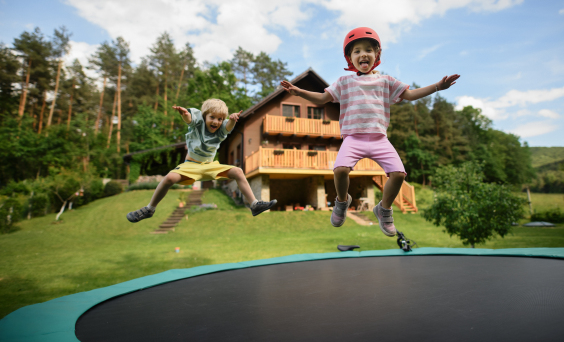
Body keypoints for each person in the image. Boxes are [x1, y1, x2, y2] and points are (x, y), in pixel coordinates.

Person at [281, 27, 459, 237]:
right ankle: (341, 201)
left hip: (379, 139)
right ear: (350, 58)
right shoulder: (344, 82)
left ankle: (383, 209)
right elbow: (322, 98)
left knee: (399, 174)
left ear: (377, 55)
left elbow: (410, 95)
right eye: (356, 51)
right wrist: (299, 92)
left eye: (368, 50)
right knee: (339, 170)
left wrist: (437, 86)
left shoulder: (387, 81)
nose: (362, 54)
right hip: (353, 138)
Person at [126, 98, 277, 223]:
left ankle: (254, 204)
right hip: (191, 166)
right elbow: (189, 119)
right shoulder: (197, 123)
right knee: (170, 178)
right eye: (212, 117)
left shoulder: (221, 129)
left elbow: (229, 127)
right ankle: (149, 209)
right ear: (205, 116)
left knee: (237, 171)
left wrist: (232, 120)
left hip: (209, 166)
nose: (216, 122)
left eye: (220, 119)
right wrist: (185, 114)